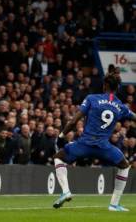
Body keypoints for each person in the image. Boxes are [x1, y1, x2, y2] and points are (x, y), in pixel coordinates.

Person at [53, 73, 136, 211]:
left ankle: (66, 191)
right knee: (124, 166)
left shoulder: (92, 99)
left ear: (104, 85)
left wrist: (62, 135)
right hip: (104, 147)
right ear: (117, 88)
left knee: (58, 158)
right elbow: (134, 117)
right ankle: (114, 205)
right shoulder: (120, 106)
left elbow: (74, 121)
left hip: (84, 144)